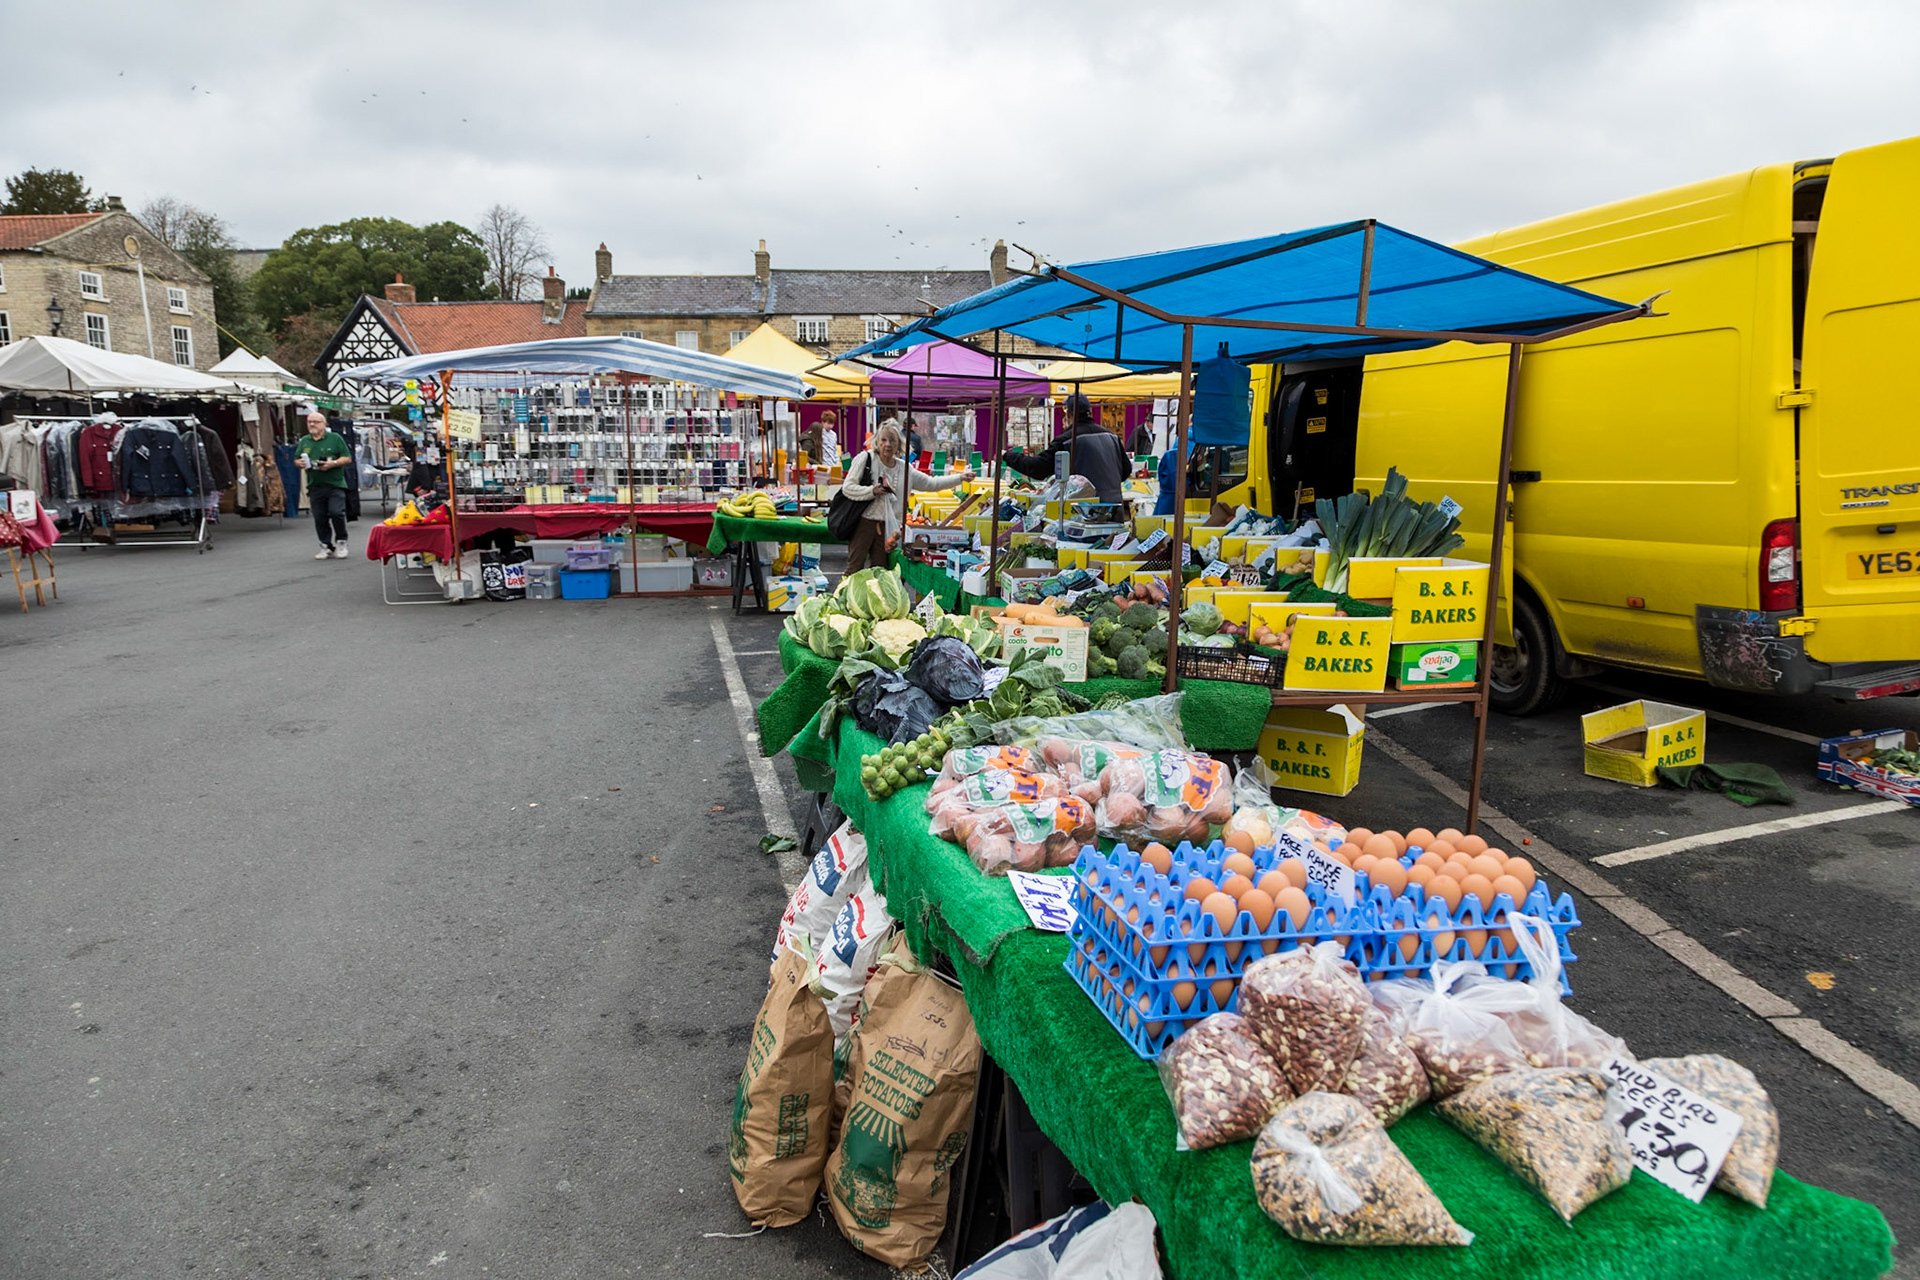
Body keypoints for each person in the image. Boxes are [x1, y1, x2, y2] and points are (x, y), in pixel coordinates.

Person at [839, 418, 973, 572]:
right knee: (854, 569)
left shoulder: (905, 469)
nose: (888, 444)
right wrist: (871, 491)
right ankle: (846, 596)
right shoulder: (866, 459)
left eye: (892, 440)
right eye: (883, 440)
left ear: (898, 444)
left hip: (889, 530)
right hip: (864, 523)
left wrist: (960, 477)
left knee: (882, 573)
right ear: (877, 442)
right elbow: (848, 488)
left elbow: (931, 484)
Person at [1000, 393, 1127, 505]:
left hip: (1082, 509)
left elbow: (1038, 468)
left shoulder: (1067, 440)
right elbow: (1126, 470)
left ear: (1069, 414)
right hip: (1114, 505)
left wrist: (1007, 456)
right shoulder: (1111, 437)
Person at [294, 409, 353, 559]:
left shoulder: (335, 438)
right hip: (315, 484)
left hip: (335, 483)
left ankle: (341, 541)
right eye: (309, 422)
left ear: (324, 424)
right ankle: (326, 545)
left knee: (336, 513)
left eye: (316, 422)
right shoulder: (304, 441)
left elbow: (347, 458)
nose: (312, 424)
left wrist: (333, 463)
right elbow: (296, 459)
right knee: (320, 517)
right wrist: (299, 463)